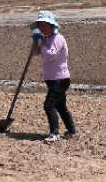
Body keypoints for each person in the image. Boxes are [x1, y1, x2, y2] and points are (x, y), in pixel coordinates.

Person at [31, 10, 77, 143]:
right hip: (52, 80)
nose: (42, 28)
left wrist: (42, 43)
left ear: (52, 26)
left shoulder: (58, 38)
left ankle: (54, 133)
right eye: (40, 25)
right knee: (60, 106)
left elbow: (50, 55)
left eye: (45, 25)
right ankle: (72, 131)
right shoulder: (46, 39)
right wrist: (36, 42)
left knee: (48, 105)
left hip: (60, 79)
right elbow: (35, 53)